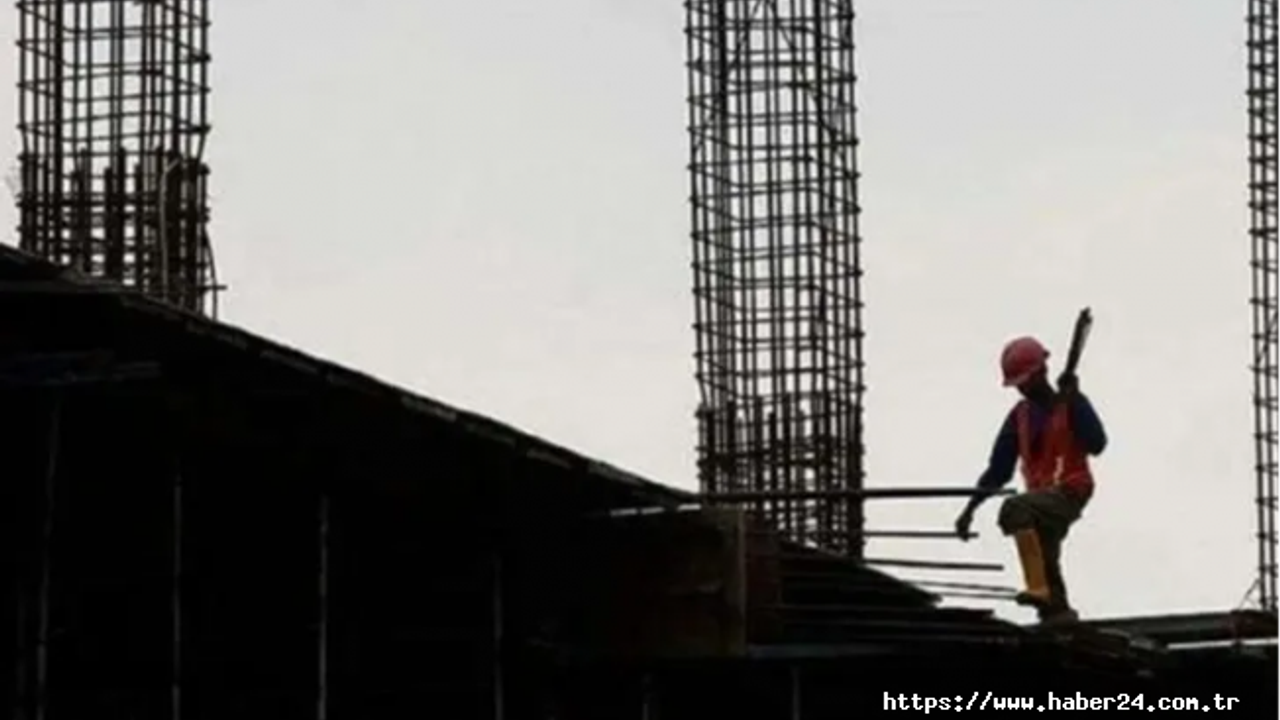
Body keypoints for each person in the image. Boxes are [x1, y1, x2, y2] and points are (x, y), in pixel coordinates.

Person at [953, 336, 1107, 625]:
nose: (1022, 389)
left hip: (1071, 490)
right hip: (1041, 500)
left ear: (1042, 372)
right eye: (1018, 384)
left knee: (1016, 509)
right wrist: (970, 508)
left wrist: (1076, 399)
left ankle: (1038, 588)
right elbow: (998, 470)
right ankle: (1057, 614)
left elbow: (1097, 443)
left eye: (1025, 381)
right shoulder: (1019, 417)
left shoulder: (1069, 402)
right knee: (1044, 554)